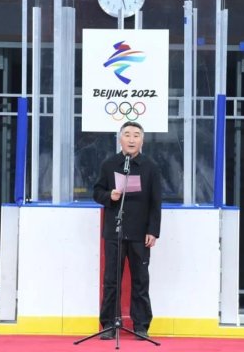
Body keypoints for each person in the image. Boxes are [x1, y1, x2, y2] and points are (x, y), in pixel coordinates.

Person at [93, 121, 162, 340]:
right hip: (115, 231)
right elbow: (97, 192)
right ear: (120, 138)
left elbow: (156, 202)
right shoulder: (109, 164)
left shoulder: (151, 167)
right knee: (111, 280)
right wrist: (109, 196)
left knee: (140, 280)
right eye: (127, 135)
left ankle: (141, 325)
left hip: (140, 233)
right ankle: (109, 324)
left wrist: (153, 231)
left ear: (142, 140)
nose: (131, 139)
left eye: (136, 135)